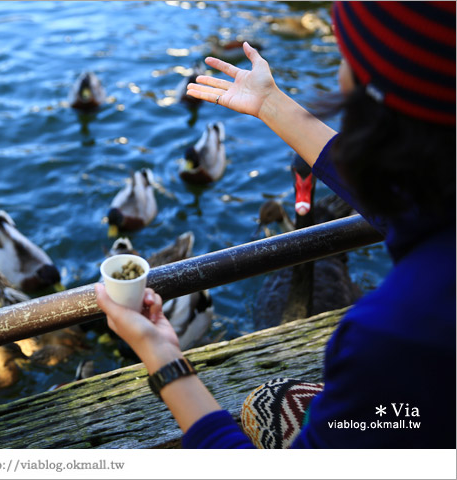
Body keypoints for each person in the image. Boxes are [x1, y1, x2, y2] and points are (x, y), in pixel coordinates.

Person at [95, 1, 455, 448]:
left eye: (349, 57)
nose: (340, 72)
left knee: (270, 402)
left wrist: (162, 354)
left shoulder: (395, 335)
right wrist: (270, 104)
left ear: (376, 93)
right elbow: (409, 207)